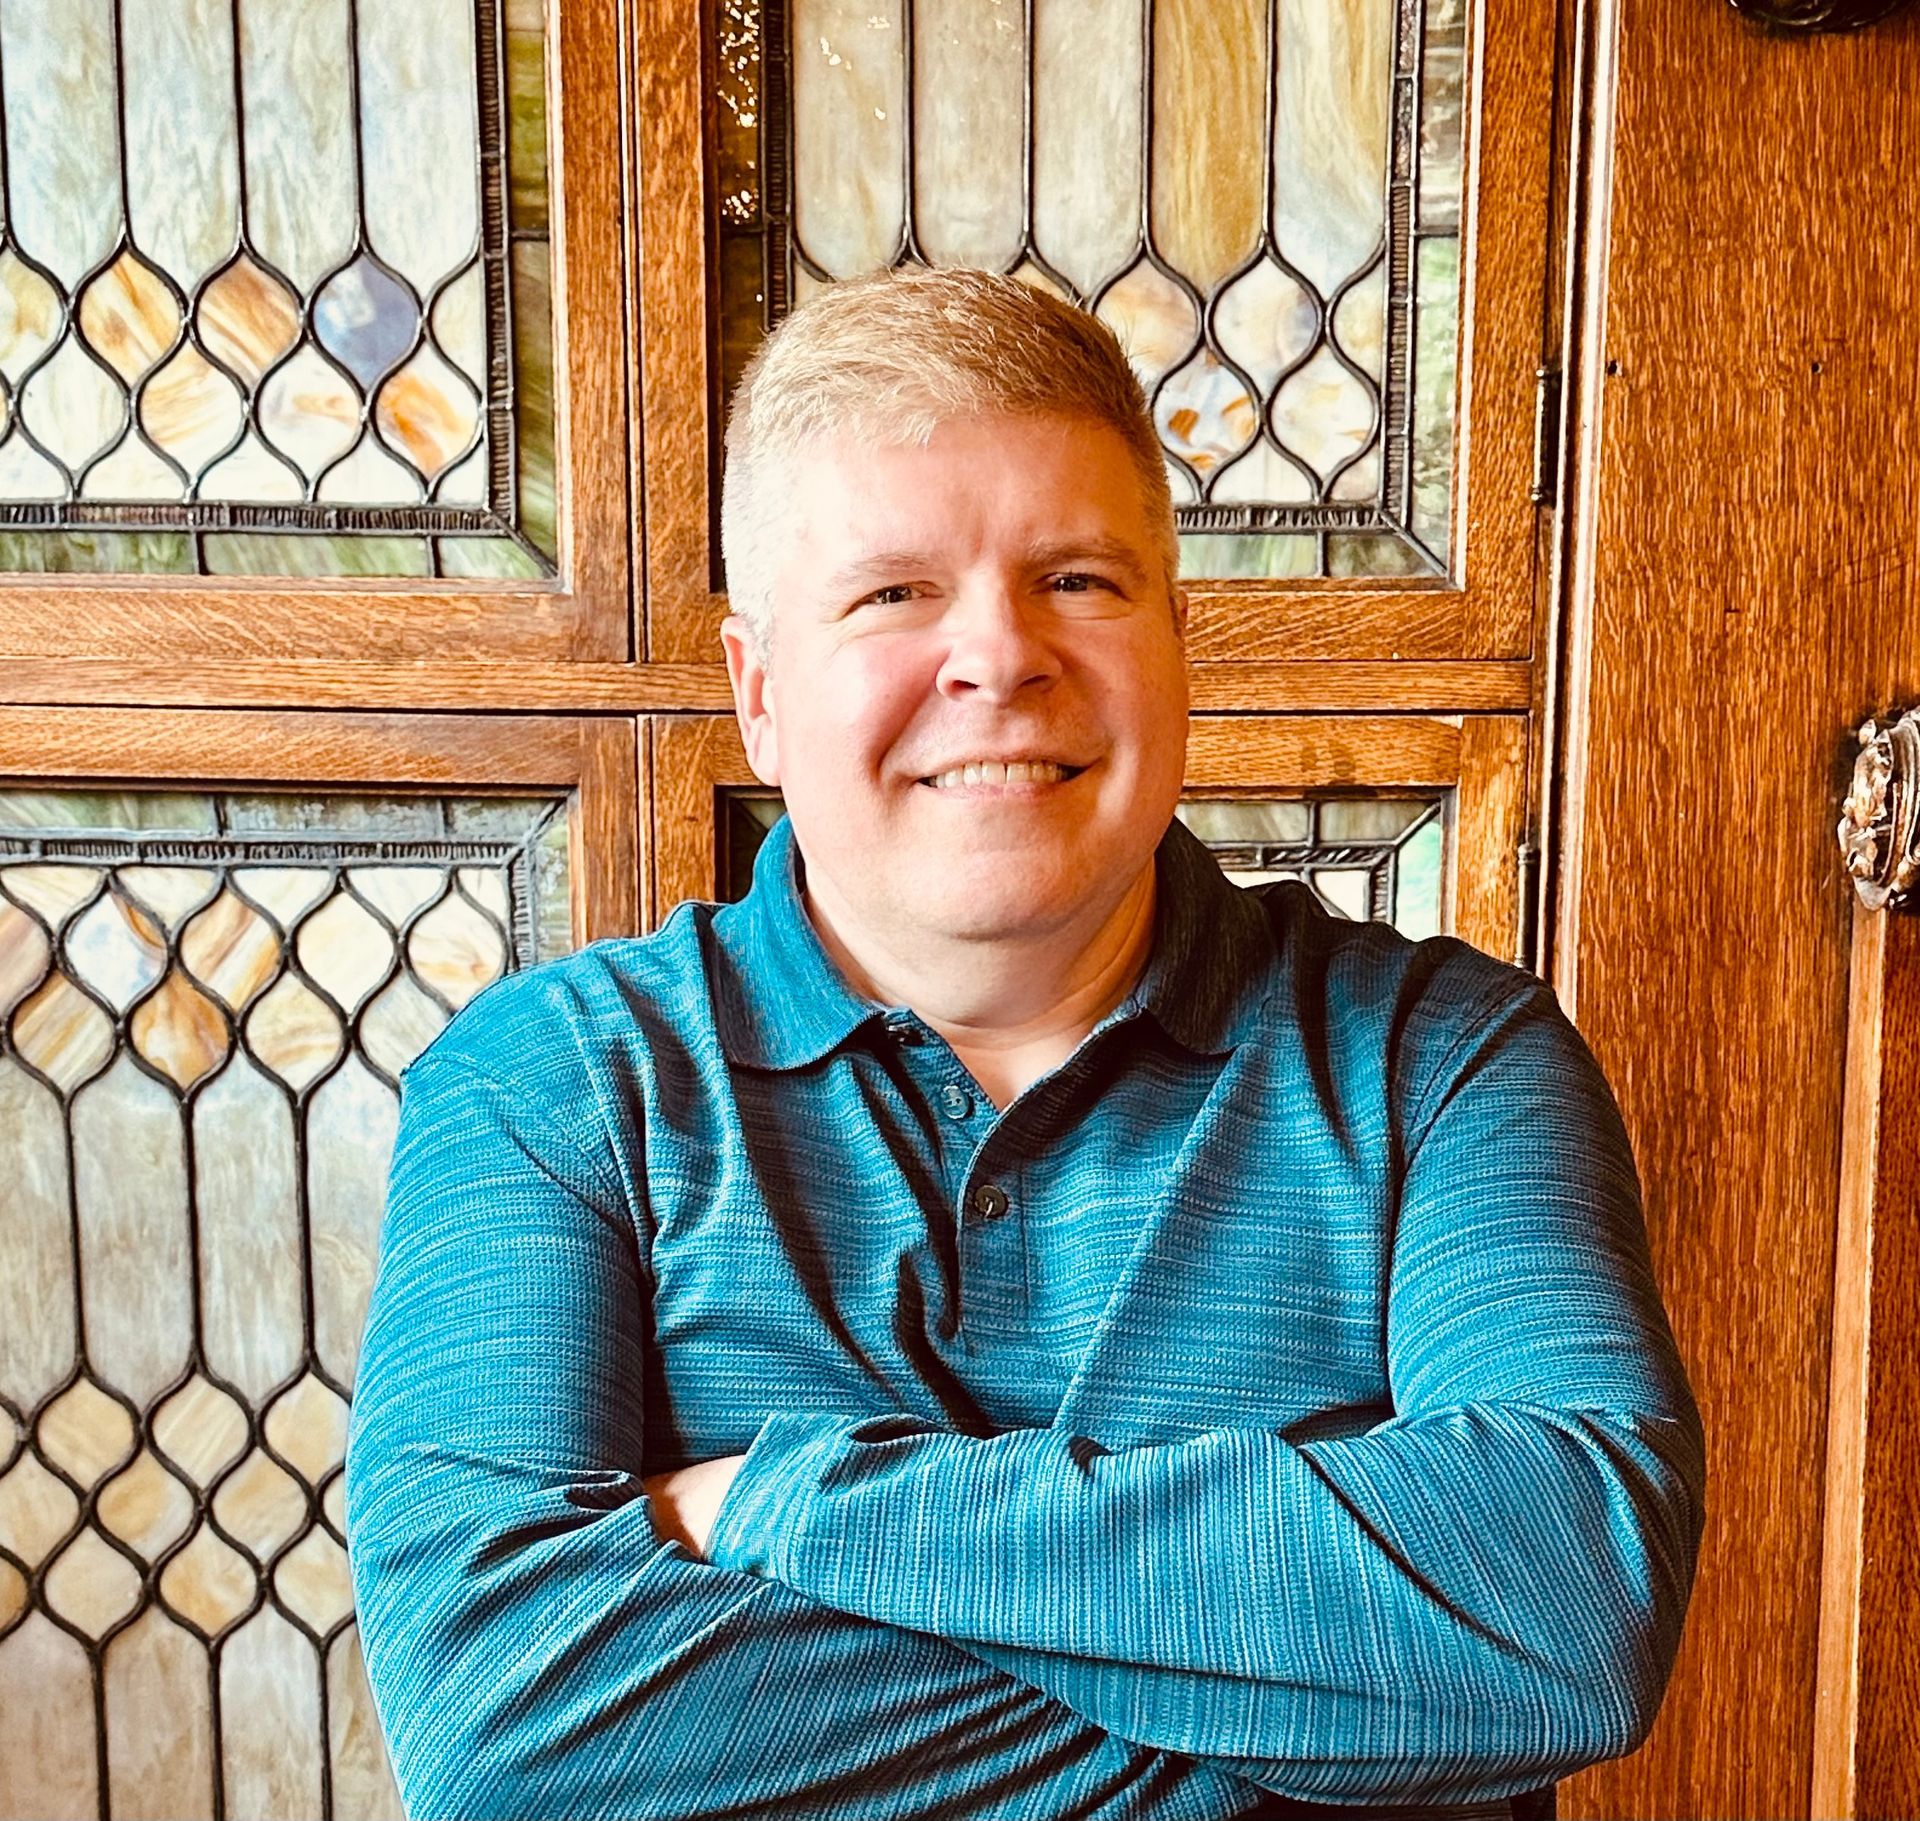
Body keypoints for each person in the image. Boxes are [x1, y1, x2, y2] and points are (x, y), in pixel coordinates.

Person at [345, 267, 1704, 1820]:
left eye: (1077, 579)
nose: (999, 656)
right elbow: (498, 1729)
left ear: (1178, 643)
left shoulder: (1446, 1062)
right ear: (760, 690)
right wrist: (1319, 1697)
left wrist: (781, 1502)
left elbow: (1570, 1608)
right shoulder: (551, 1088)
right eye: (893, 594)